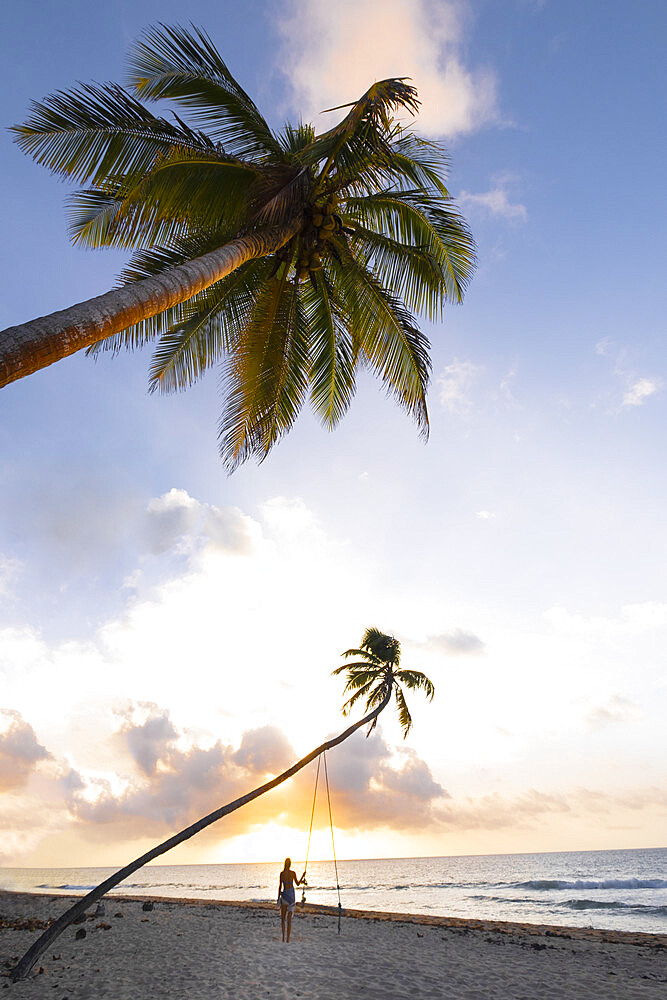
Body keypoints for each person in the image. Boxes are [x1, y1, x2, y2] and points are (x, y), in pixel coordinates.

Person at [277, 857, 306, 943]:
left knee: (283, 919)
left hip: (285, 896)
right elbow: (297, 883)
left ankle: (283, 938)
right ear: (290, 864)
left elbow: (280, 886)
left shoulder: (282, 874)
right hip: (291, 897)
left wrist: (278, 897)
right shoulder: (293, 873)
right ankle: (288, 940)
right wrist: (303, 876)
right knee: (289, 920)